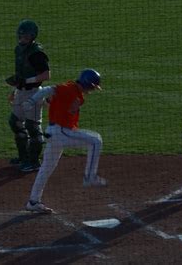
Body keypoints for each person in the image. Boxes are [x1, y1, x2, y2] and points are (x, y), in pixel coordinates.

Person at [22, 69, 107, 213]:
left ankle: (33, 201)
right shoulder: (69, 88)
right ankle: (90, 177)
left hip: (57, 133)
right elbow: (48, 90)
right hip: (60, 132)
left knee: (46, 169)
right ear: (88, 84)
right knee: (95, 141)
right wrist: (31, 101)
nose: (93, 90)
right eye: (93, 87)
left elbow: (50, 100)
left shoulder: (78, 94)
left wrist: (47, 102)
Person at [6, 19, 51, 172]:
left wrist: (27, 81)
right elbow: (21, 74)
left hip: (34, 93)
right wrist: (16, 88)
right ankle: (23, 157)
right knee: (15, 122)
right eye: (20, 36)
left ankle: (34, 161)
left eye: (25, 37)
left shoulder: (36, 53)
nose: (22, 39)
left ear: (32, 37)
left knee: (32, 126)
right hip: (21, 91)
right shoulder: (18, 50)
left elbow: (46, 75)